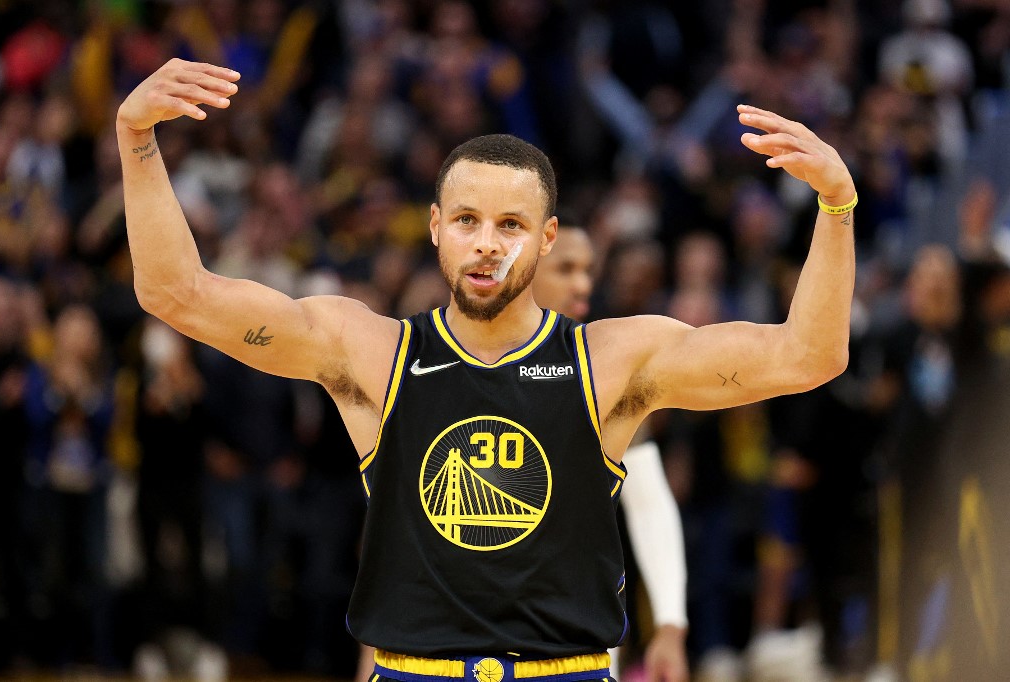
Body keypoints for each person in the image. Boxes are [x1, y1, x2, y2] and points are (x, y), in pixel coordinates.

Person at [116, 59, 855, 682]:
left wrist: (836, 206)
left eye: (511, 225)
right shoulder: (370, 351)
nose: (487, 244)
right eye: (467, 220)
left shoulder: (611, 360)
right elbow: (176, 293)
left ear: (548, 238)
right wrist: (137, 138)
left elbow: (809, 355)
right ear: (436, 227)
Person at [532, 227, 689, 682]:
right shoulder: (450, 362)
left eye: (588, 271)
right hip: (464, 639)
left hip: (579, 639)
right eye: (565, 269)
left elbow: (649, 503)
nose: (582, 284)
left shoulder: (603, 368)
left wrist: (670, 623)